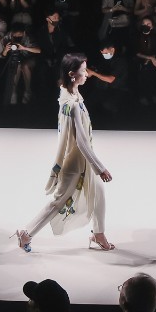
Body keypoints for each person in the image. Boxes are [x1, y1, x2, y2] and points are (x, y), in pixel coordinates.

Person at [13, 53, 115, 253]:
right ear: (71, 74)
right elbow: (81, 142)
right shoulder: (71, 104)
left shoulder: (72, 94)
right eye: (83, 71)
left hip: (82, 160)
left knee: (99, 191)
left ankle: (98, 234)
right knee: (58, 202)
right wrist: (100, 168)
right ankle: (26, 233)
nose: (87, 74)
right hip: (75, 163)